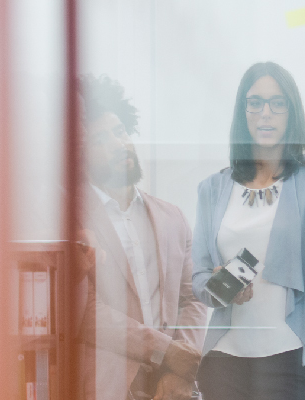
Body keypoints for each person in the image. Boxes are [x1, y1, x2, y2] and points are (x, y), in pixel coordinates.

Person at [190, 62, 305, 400]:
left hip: (293, 359)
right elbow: (200, 279)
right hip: (225, 362)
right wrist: (221, 288)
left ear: (292, 113)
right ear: (242, 111)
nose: (266, 113)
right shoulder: (212, 189)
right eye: (255, 102)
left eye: (278, 103)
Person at [77, 74, 209, 400]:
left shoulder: (172, 217)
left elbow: (192, 298)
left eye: (119, 131)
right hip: (110, 386)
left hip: (173, 386)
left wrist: (179, 369)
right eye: (100, 140)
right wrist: (166, 352)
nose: (118, 144)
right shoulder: (72, 221)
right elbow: (86, 311)